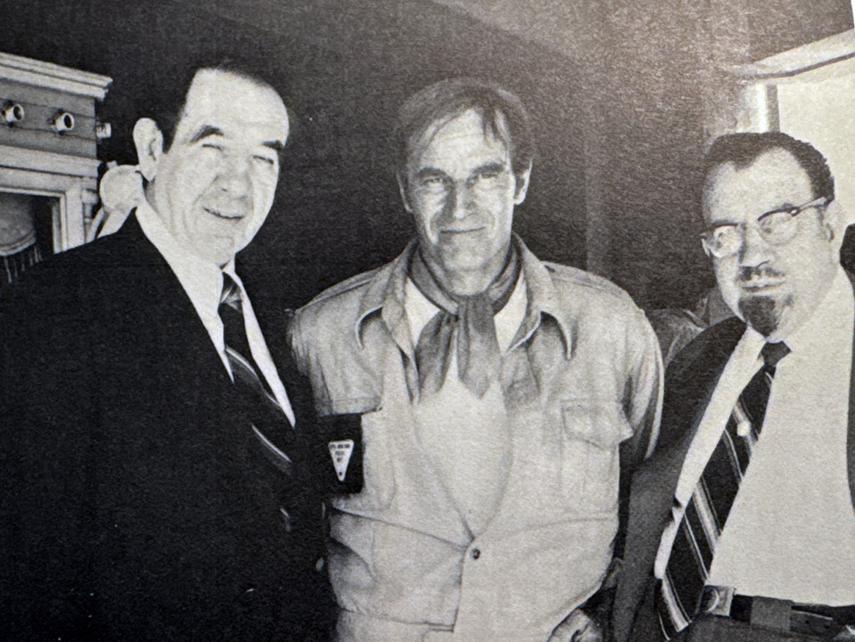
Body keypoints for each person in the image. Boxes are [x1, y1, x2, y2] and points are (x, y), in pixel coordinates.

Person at [288, 78, 662, 642]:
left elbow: (654, 499)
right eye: (434, 179)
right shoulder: (322, 334)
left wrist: (609, 614)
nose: (460, 207)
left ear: (522, 181)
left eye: (485, 175)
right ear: (404, 191)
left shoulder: (609, 326)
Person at [0, 62, 334, 640]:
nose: (239, 184)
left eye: (263, 158)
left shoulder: (280, 315)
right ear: (152, 150)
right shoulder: (57, 306)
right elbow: (28, 575)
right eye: (214, 147)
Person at [612, 132, 855, 642]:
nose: (751, 254)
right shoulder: (703, 355)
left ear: (829, 224)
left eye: (777, 222)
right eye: (727, 232)